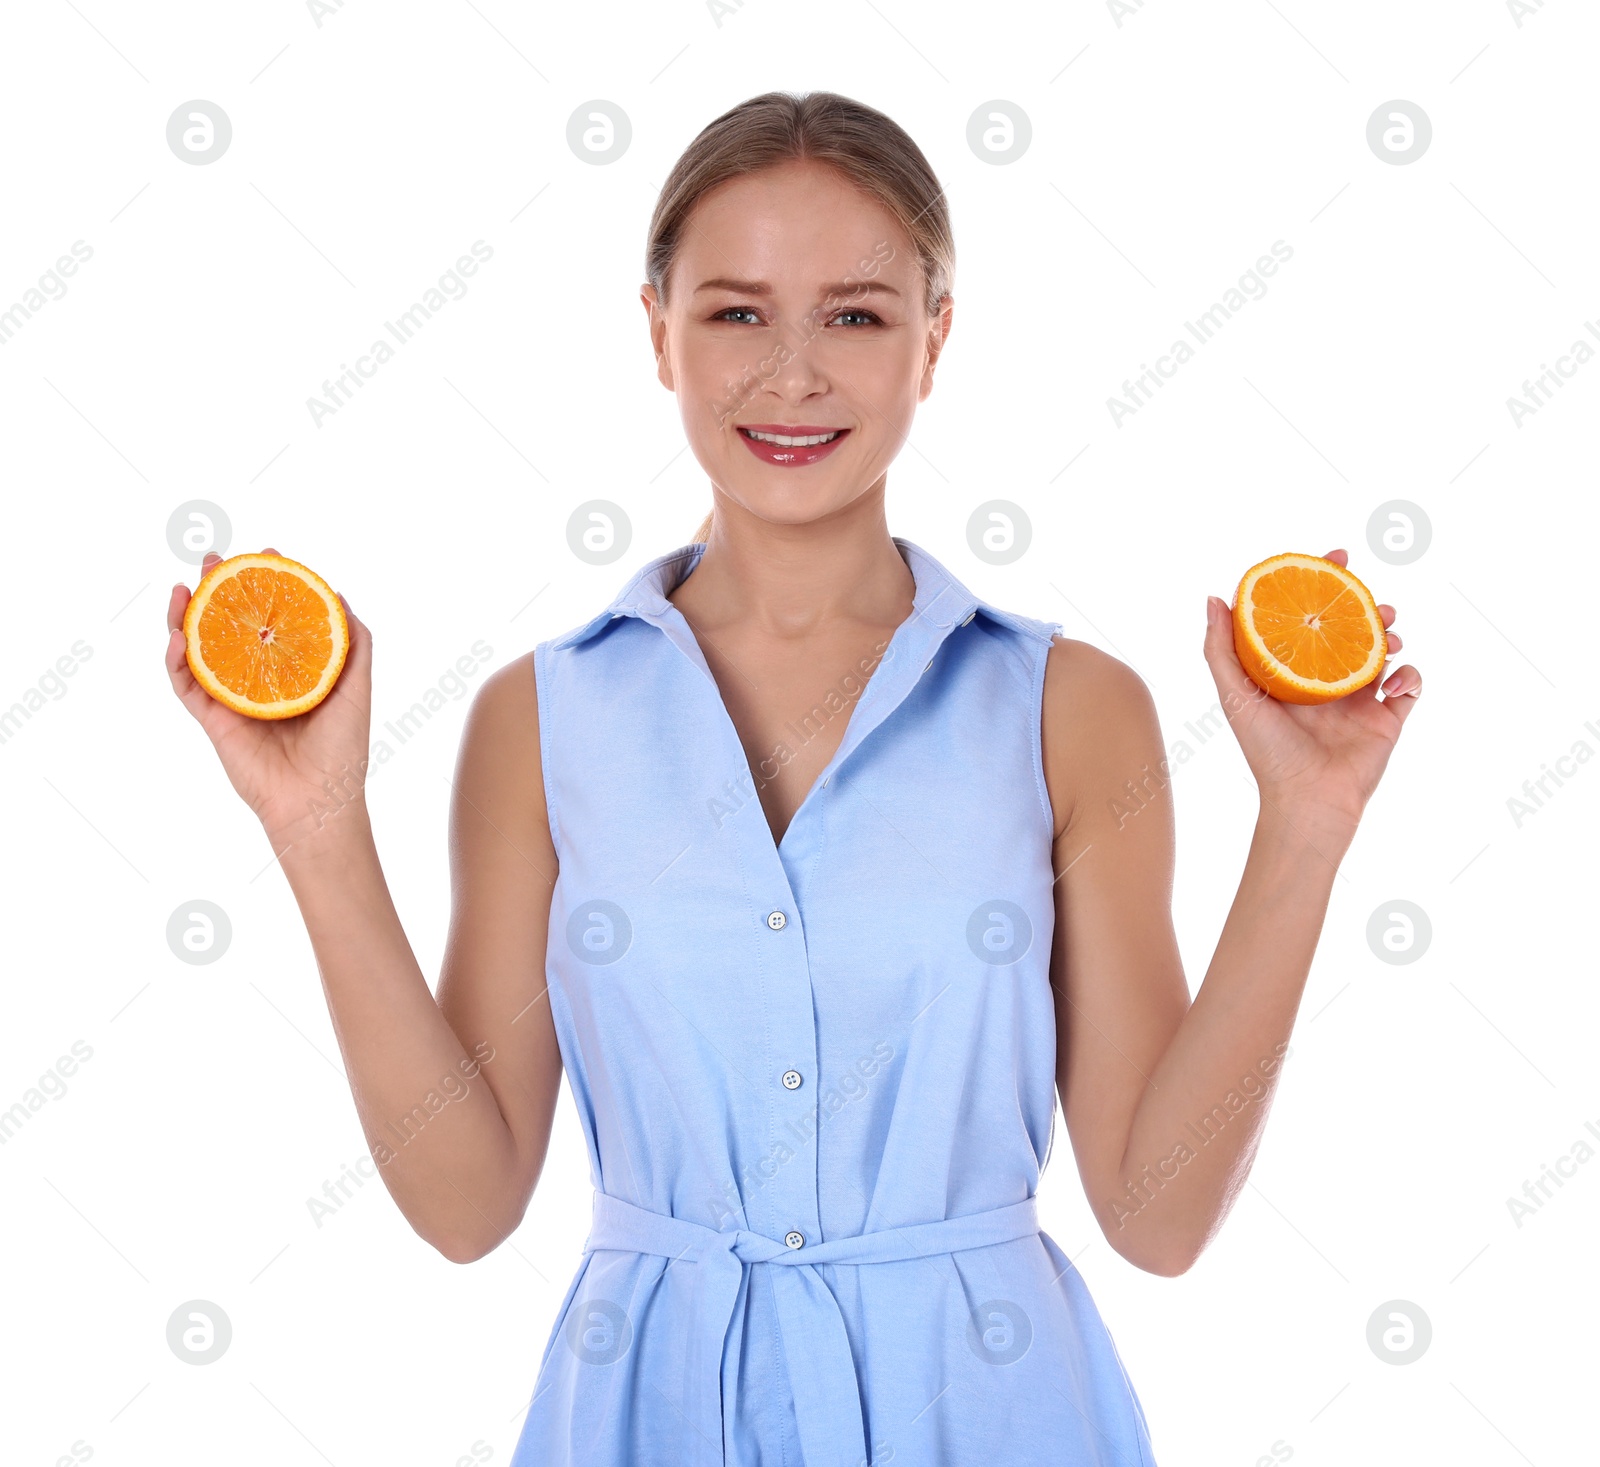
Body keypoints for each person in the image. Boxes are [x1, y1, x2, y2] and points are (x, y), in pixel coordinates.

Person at [165, 90, 1421, 1467]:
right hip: (646, 1415)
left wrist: (1308, 824)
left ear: (936, 338)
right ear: (657, 331)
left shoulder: (1071, 709)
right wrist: (315, 826)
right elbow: (464, 1205)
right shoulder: (542, 717)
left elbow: (1160, 1216)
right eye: (737, 312)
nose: (793, 373)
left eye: (859, 314)